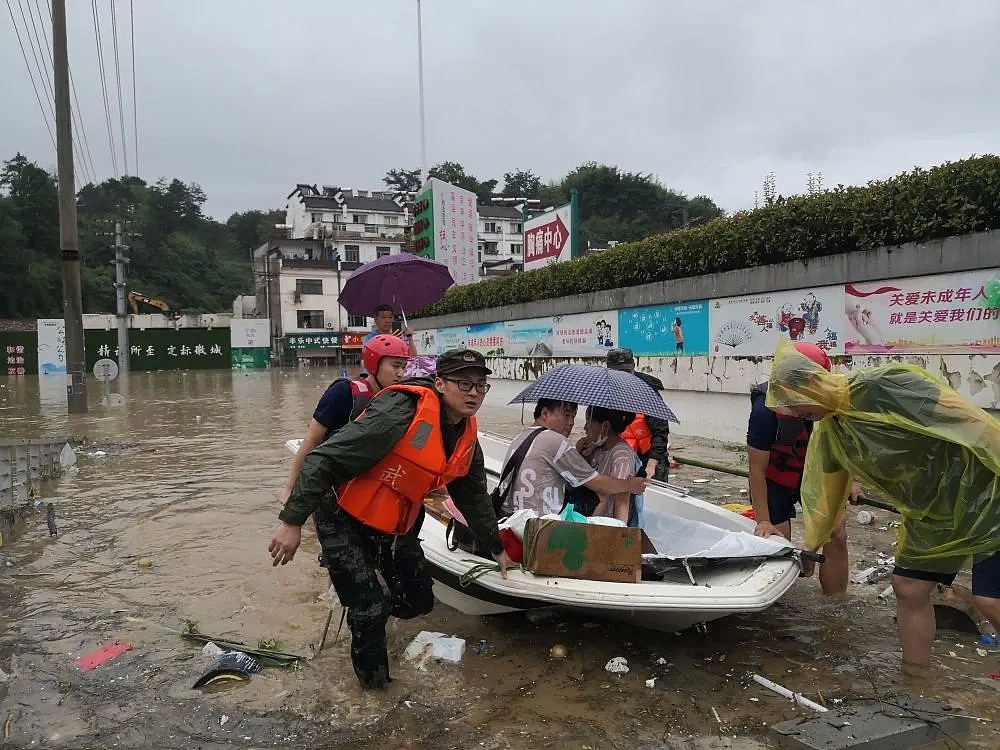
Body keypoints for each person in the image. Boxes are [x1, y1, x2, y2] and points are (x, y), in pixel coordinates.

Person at [268, 348, 514, 689]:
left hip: (395, 524)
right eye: (463, 383)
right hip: (342, 515)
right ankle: (375, 691)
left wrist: (496, 547)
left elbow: (472, 496)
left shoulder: (465, 433)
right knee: (369, 610)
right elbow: (321, 459)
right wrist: (291, 522)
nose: (473, 393)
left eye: (480, 386)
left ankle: (365, 606)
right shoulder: (399, 411)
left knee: (418, 600)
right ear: (440, 384)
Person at [766, 337, 1000, 677]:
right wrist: (811, 546)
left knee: (989, 601)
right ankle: (916, 678)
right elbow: (826, 497)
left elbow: (971, 422)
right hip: (931, 514)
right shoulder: (832, 433)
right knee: (908, 588)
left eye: (795, 402)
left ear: (814, 381)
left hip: (985, 495)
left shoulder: (888, 385)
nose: (794, 413)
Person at [747, 341, 852, 595]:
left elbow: (845, 450)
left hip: (817, 475)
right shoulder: (765, 411)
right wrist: (763, 519)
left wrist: (853, 483)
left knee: (836, 534)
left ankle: (835, 604)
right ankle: (781, 601)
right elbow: (756, 469)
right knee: (777, 542)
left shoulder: (834, 404)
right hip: (776, 478)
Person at [279, 334, 410, 505]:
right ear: (374, 364)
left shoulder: (399, 398)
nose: (401, 373)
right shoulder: (343, 393)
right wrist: (290, 488)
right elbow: (312, 439)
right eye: (395, 366)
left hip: (371, 486)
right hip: (334, 486)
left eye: (404, 367)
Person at [498, 399, 648, 518]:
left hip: (510, 517)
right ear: (545, 414)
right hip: (537, 523)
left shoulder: (522, 436)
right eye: (566, 415)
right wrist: (630, 485)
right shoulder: (556, 440)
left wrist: (578, 453)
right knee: (600, 496)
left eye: (573, 417)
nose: (571, 423)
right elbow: (598, 485)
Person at [606, 348, 678, 480]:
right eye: (617, 373)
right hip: (619, 455)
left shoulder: (648, 391)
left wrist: (652, 464)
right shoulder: (600, 391)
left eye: (627, 372)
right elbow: (595, 427)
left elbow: (661, 432)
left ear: (633, 368)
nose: (624, 377)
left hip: (649, 457)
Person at [577, 406, 641, 524]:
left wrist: (618, 531)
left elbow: (622, 500)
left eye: (589, 422)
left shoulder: (621, 456)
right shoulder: (596, 449)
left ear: (605, 426)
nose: (585, 428)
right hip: (590, 518)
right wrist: (580, 455)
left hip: (605, 525)